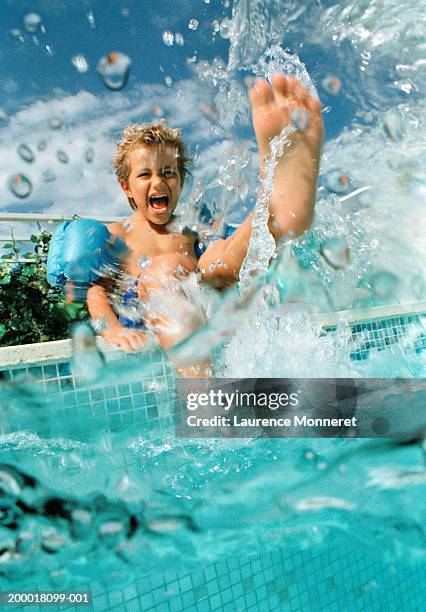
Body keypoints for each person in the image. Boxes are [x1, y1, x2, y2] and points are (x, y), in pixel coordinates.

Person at [86, 74, 323, 373]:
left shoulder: (190, 228)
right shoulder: (118, 235)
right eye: (145, 175)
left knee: (218, 256)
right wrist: (113, 330)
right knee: (167, 269)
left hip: (204, 299)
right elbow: (98, 293)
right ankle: (205, 401)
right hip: (151, 306)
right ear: (126, 187)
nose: (159, 181)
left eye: (169, 172)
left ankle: (274, 212)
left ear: (181, 181)